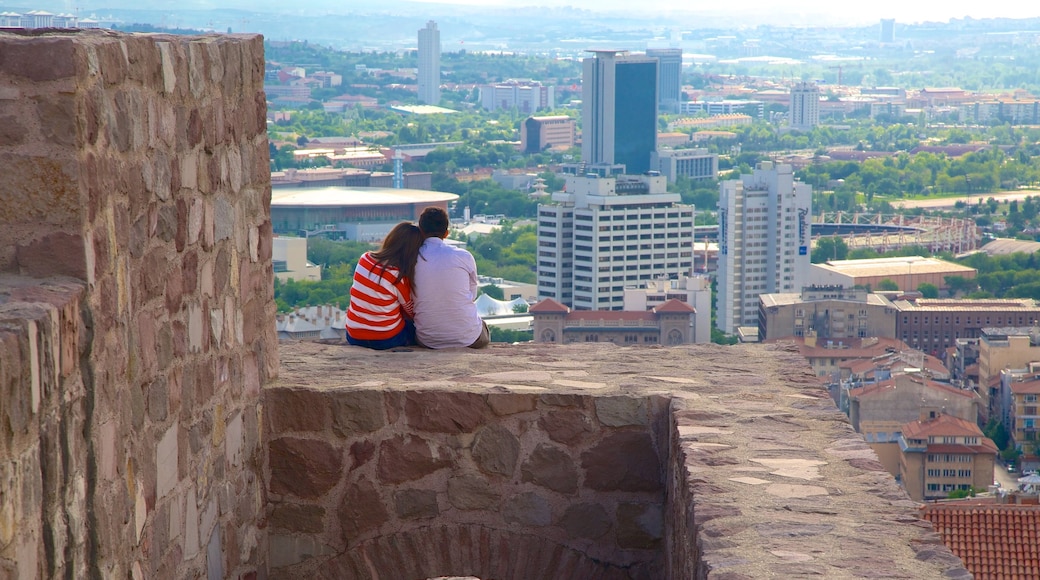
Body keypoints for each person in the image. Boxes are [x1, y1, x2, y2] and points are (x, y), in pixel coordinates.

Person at [412, 207, 490, 349]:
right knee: (482, 326)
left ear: (420, 231)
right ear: (446, 233)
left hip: (428, 340)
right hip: (468, 338)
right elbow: (471, 295)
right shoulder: (463, 256)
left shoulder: (411, 258)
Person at [345, 222, 422, 350]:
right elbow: (411, 311)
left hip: (354, 335)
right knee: (413, 325)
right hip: (386, 339)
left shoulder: (364, 259)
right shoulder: (398, 276)